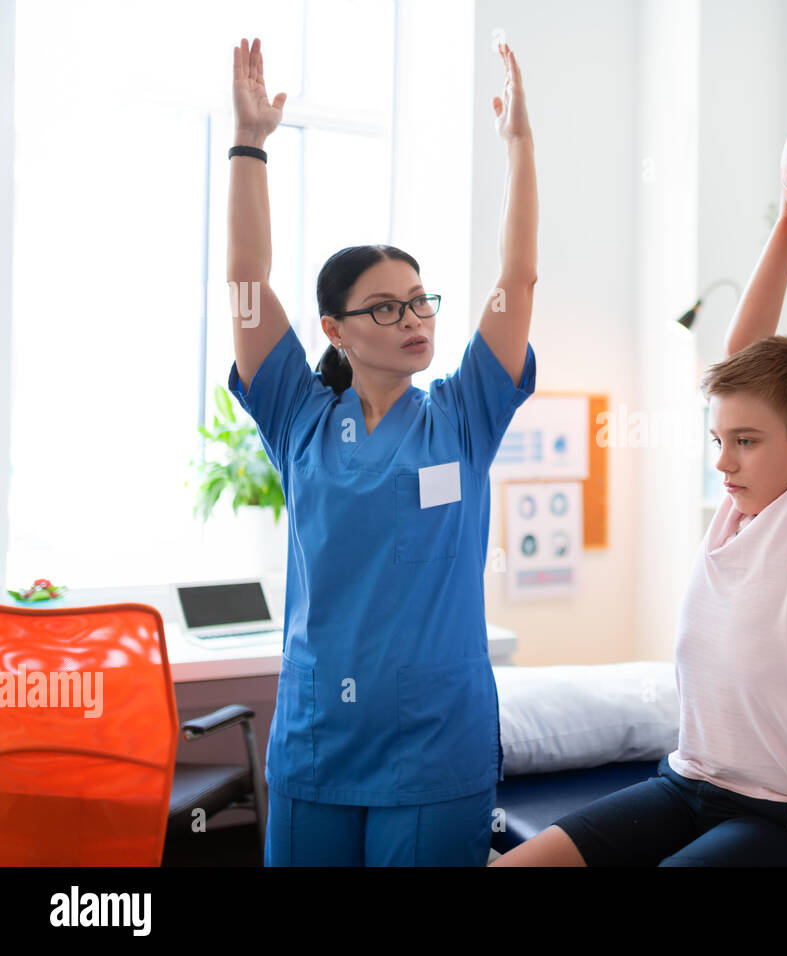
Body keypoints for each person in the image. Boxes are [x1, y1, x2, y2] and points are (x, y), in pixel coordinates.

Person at [491, 107, 787, 866]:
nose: (723, 462)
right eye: (719, 441)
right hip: (687, 782)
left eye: (746, 443)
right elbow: (741, 354)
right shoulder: (738, 513)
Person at [226, 36, 538, 865]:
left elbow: (520, 278)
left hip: (438, 745)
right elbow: (246, 281)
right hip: (319, 738)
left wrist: (520, 149)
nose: (416, 321)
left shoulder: (467, 412)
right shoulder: (297, 411)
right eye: (387, 309)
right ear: (334, 330)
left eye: (420, 301)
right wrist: (249, 143)